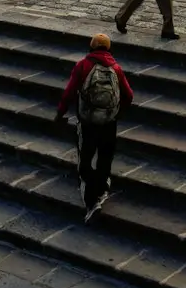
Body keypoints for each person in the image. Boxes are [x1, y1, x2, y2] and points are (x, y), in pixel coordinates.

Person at [54, 31, 134, 220]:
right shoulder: (116, 68)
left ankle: (91, 199)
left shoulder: (83, 65)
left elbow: (69, 93)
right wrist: (118, 113)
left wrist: (59, 114)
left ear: (90, 47)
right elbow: (129, 95)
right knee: (105, 156)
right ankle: (101, 187)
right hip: (109, 121)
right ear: (108, 49)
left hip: (88, 121)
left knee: (86, 157)